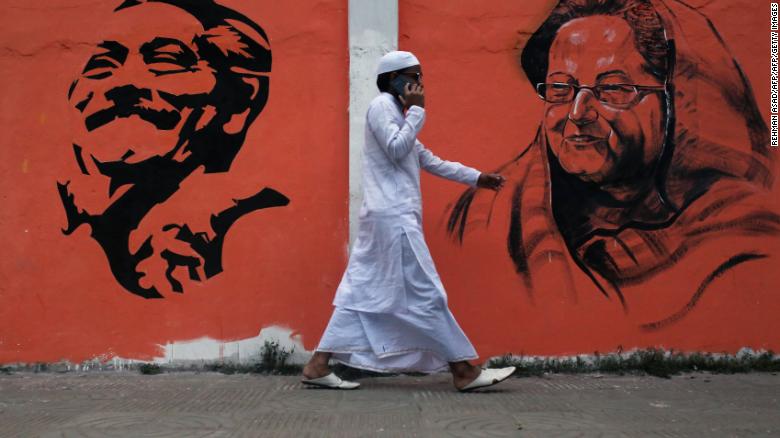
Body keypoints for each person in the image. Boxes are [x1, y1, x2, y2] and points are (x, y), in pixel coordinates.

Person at [448, 0, 779, 329]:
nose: (578, 113)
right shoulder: (493, 214)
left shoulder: (744, 238)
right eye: (561, 88)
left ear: (676, 102)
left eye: (614, 89)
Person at [302, 51, 516, 391]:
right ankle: (463, 371)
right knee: (427, 293)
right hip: (393, 220)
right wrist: (417, 111)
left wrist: (477, 178)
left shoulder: (397, 114)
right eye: (413, 75)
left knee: (362, 293)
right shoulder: (382, 107)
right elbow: (397, 148)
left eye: (421, 76)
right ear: (393, 79)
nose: (419, 83)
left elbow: (428, 160)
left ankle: (318, 364)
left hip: (388, 219)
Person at [58, 0, 289, 298]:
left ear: (239, 102)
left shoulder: (246, 229)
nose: (124, 83)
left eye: (165, 62)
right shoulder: (82, 221)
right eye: (102, 65)